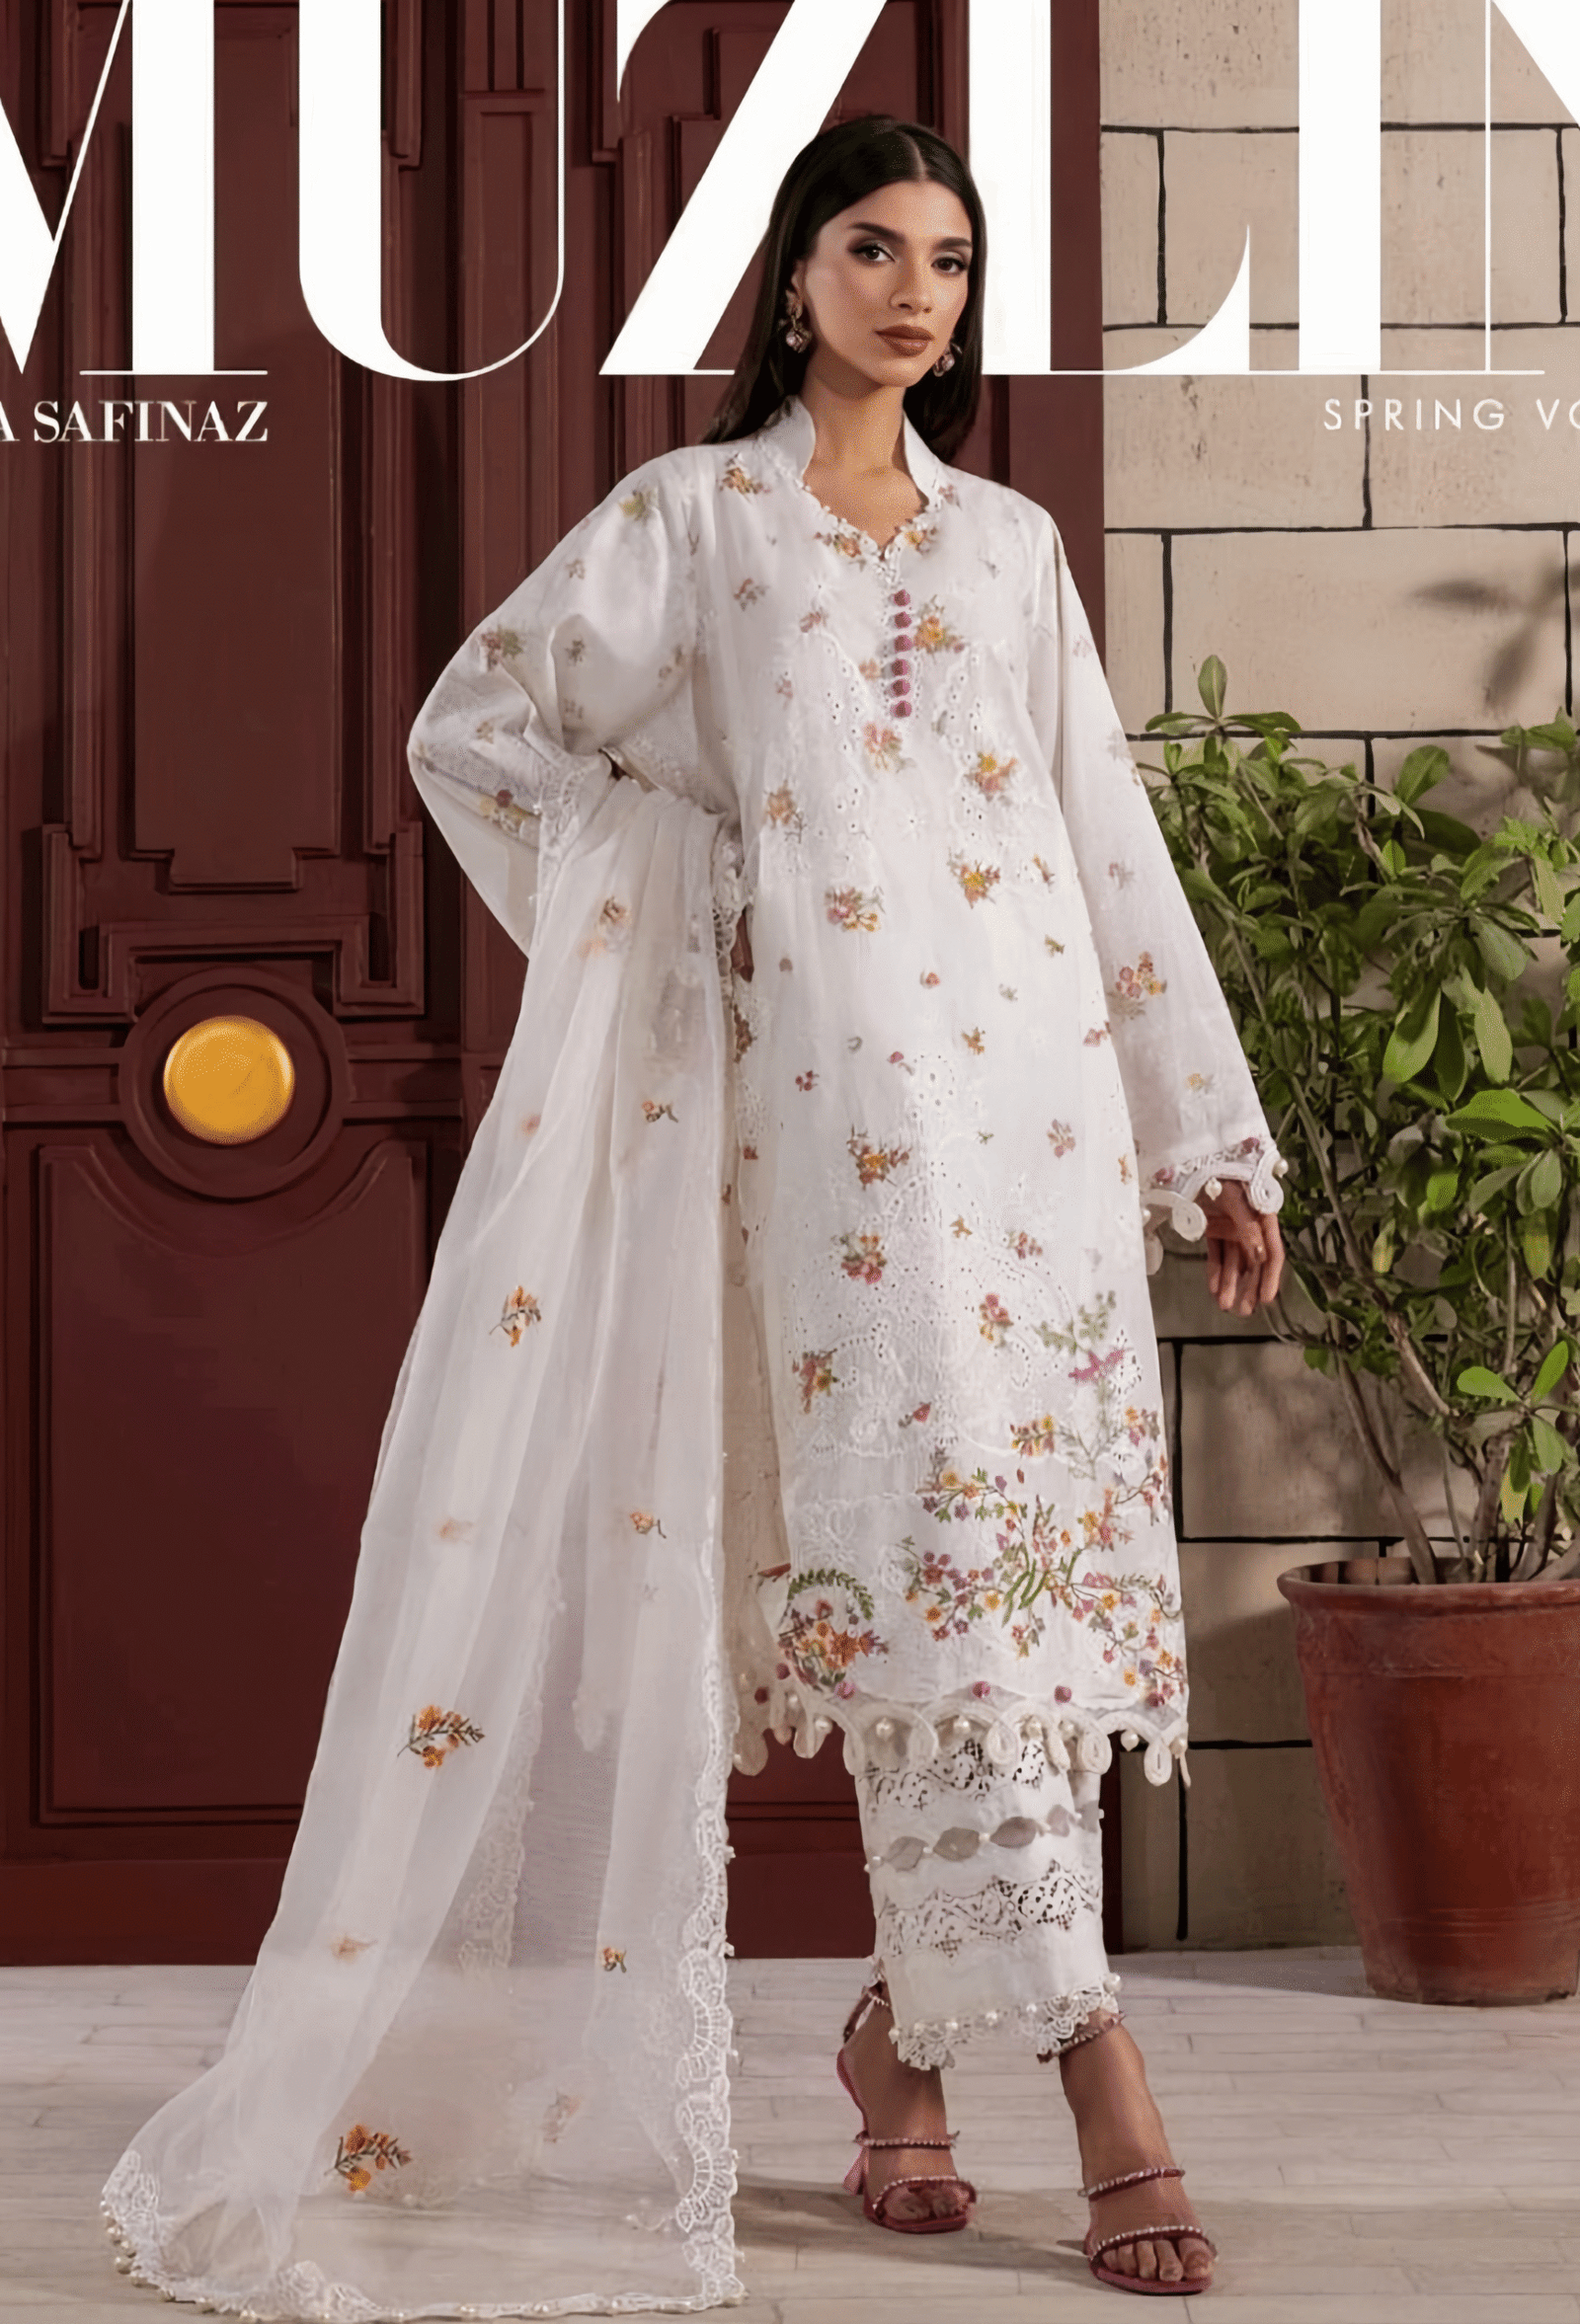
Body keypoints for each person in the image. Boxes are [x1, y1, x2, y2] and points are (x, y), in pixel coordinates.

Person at [102, 115, 1284, 2316]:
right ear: (794, 273)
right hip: (828, 1153)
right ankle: (1100, 2077)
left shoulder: (1009, 548)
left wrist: (1200, 1132)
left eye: (947, 258)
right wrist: (691, 893)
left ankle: (898, 2041)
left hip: (1030, 1146)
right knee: (927, 1578)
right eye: (872, 248)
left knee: (1007, 1593)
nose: (914, 292)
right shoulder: (692, 523)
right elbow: (480, 733)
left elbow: (1098, 832)